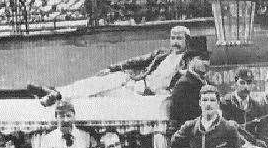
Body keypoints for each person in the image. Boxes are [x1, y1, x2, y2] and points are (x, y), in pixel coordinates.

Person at [35, 25, 201, 104]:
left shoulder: (190, 60)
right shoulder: (161, 54)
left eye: (179, 38)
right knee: (102, 83)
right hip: (134, 86)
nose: (175, 42)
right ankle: (57, 95)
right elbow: (134, 61)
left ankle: (58, 94)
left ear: (187, 41)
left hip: (149, 96)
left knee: (96, 94)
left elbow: (187, 82)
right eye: (173, 38)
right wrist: (110, 68)